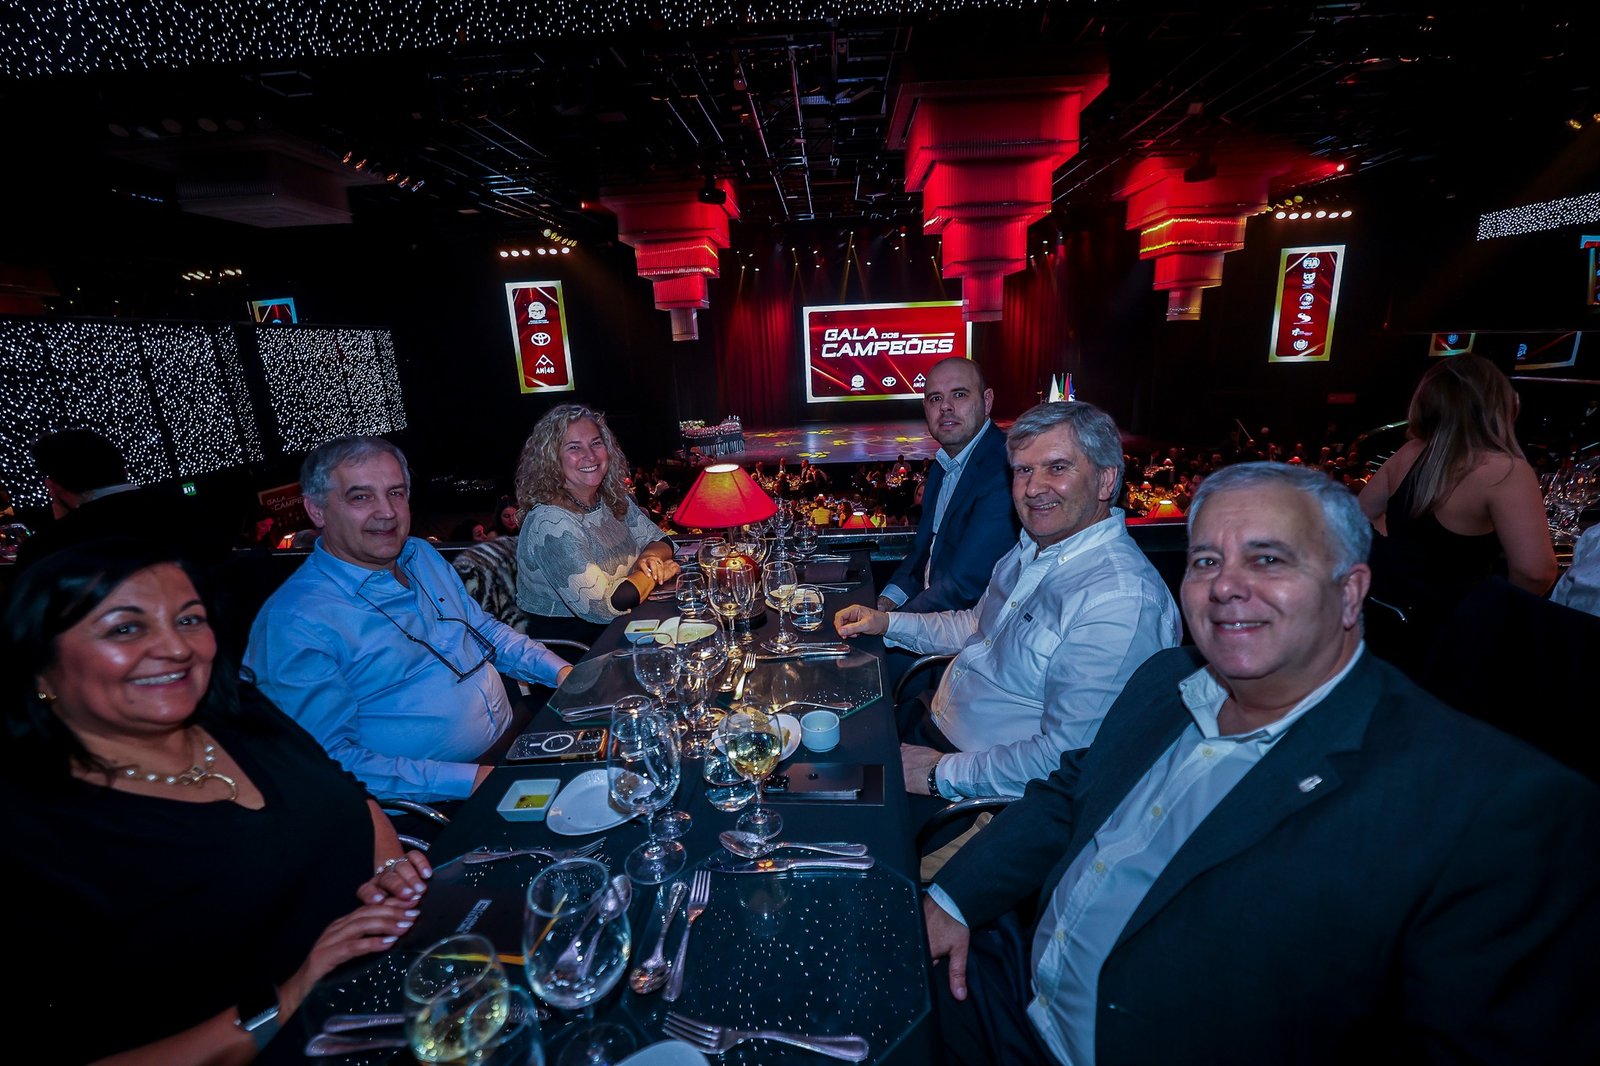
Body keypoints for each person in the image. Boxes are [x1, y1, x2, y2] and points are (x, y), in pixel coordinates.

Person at [924, 462, 1600, 1065]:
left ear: (1350, 591)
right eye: (1206, 560)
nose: (1226, 586)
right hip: (1008, 995)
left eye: (1268, 559)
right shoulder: (1165, 680)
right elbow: (1072, 789)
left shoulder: (1490, 808)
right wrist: (956, 897)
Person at [3, 540, 432, 1064]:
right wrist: (293, 993)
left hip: (400, 980)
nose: (176, 648)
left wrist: (389, 873)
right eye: (125, 629)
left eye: (188, 620)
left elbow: (349, 793)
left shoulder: (240, 715)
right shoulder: (33, 839)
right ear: (39, 665)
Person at [836, 401, 1181, 801]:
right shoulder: (1029, 549)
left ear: (1106, 480)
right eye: (1023, 470)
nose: (1033, 488)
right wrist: (886, 623)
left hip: (975, 793)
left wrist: (936, 773)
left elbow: (1071, 761)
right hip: (932, 723)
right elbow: (974, 625)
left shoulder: (1120, 602)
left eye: (1057, 467)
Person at [244, 435, 572, 803]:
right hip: (440, 804)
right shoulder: (293, 622)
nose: (387, 512)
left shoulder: (421, 554)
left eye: (396, 493)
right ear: (316, 510)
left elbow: (483, 631)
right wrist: (472, 780)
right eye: (361, 497)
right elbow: (328, 761)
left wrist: (561, 673)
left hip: (511, 740)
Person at [1358, 354, 1558, 673]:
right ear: (1499, 403)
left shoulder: (1411, 451)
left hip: (1387, 623)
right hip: (1451, 640)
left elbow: (1356, 518)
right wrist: (1490, 620)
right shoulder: (1504, 470)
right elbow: (1536, 572)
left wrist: (1395, 566)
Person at [513, 404, 680, 647]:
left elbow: (662, 541)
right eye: (574, 447)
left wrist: (649, 559)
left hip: (626, 627)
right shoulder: (550, 523)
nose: (590, 456)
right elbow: (607, 606)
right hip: (574, 651)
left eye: (596, 443)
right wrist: (653, 573)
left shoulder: (612, 499)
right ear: (551, 459)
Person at [879, 357, 1018, 615]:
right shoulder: (943, 465)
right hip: (931, 610)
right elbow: (921, 555)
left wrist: (890, 623)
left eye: (959, 394)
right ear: (925, 408)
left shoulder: (1003, 470)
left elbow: (966, 587)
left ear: (987, 401)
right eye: (935, 398)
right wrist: (884, 602)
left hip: (970, 627)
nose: (945, 407)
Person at [16, 428, 229, 573]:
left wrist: (62, 528)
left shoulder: (47, 549)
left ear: (53, 486)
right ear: (123, 470)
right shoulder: (189, 510)